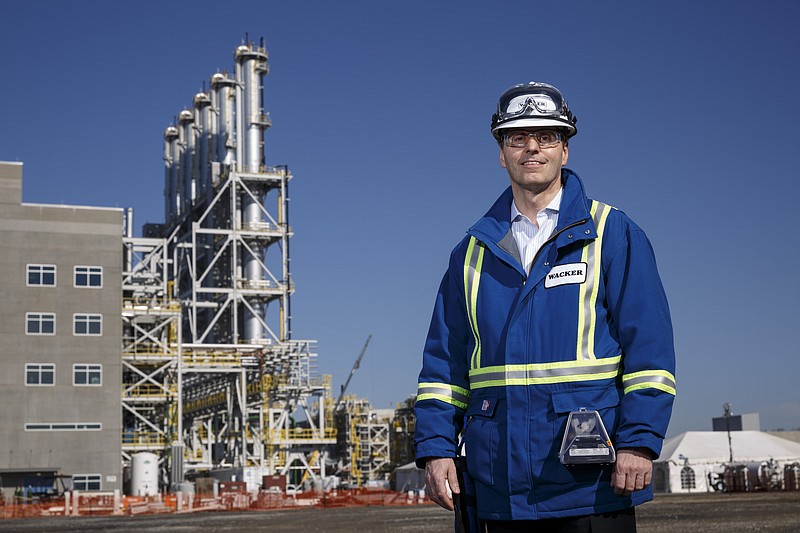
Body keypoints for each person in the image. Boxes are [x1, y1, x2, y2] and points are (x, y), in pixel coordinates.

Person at [414, 81, 676, 532]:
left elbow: (650, 353)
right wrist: (436, 449)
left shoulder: (612, 233)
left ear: (565, 150)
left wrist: (640, 441)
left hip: (590, 483)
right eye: (517, 137)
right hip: (497, 485)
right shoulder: (471, 252)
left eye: (547, 137)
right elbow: (443, 368)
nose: (532, 148)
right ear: (502, 153)